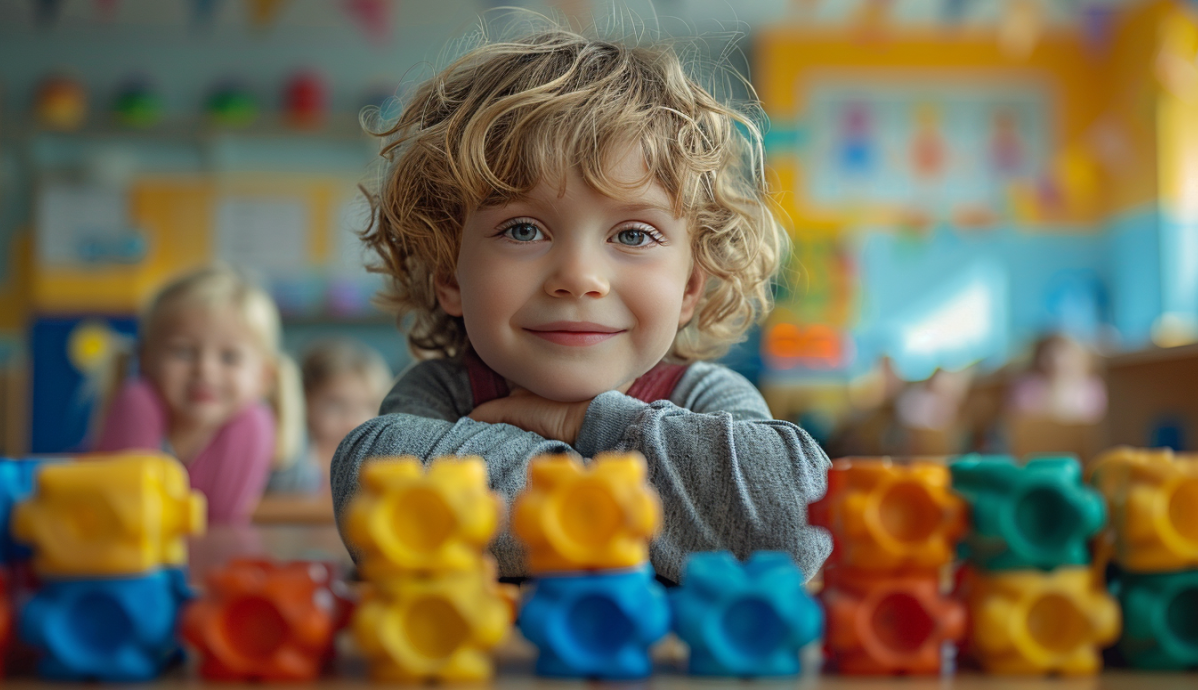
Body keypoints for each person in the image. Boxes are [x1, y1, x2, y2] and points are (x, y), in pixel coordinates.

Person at [331, 25, 832, 583]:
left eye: (634, 235)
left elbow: (794, 521)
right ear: (449, 274)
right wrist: (656, 503)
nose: (579, 277)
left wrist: (583, 421)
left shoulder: (705, 396)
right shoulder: (444, 393)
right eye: (523, 229)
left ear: (691, 286)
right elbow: (374, 500)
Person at [95, 265, 304, 524]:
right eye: (182, 351)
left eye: (230, 357)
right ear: (146, 359)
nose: (205, 370)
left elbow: (218, 525)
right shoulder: (136, 404)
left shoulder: (253, 424)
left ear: (264, 377)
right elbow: (129, 517)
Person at [266, 338, 392, 495]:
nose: (352, 422)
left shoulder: (382, 456)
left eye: (367, 406)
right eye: (336, 405)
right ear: (304, 401)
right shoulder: (288, 450)